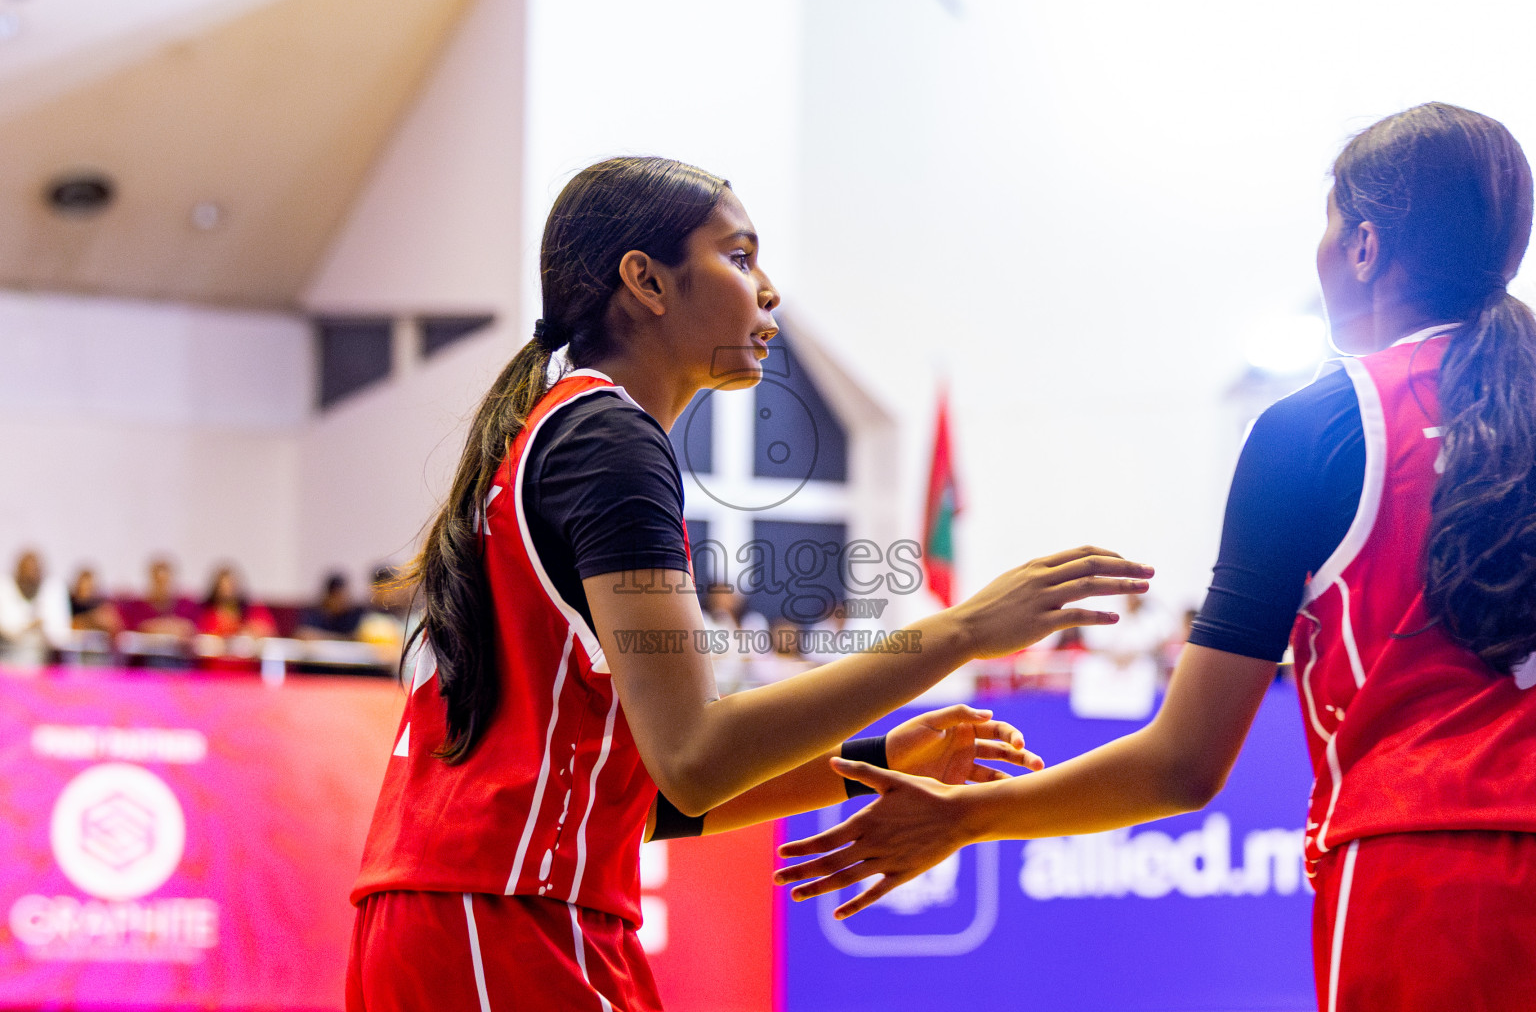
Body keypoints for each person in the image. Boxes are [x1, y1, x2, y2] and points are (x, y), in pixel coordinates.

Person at [346, 156, 1154, 1012]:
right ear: (647, 281)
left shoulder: (556, 433)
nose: (768, 291)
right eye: (739, 257)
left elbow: (649, 798)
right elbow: (697, 759)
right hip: (504, 913)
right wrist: (958, 633)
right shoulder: (609, 441)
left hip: (477, 907)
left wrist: (875, 762)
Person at [776, 103, 1536, 1012]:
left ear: (1364, 246)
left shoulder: (1321, 429)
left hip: (1427, 872)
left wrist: (965, 817)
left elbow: (1184, 762)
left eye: (1329, 224)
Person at [0, 550, 71, 668]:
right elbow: (7, 628)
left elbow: (61, 636)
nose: (30, 579)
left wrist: (43, 626)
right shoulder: (4, 588)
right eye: (26, 576)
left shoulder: (52, 590)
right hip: (7, 663)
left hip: (44, 665)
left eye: (34, 572)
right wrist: (29, 626)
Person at [296, 572, 365, 640]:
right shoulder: (316, 612)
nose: (342, 601)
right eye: (337, 597)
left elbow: (357, 637)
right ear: (329, 596)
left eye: (345, 596)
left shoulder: (354, 614)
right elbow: (304, 633)